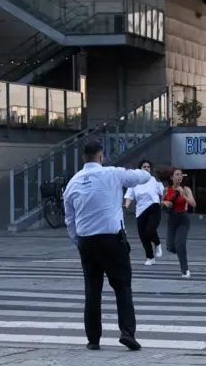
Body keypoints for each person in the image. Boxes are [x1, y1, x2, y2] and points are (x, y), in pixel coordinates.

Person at [64, 140, 151, 351]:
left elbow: (69, 219)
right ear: (101, 157)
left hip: (87, 242)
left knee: (92, 290)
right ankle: (127, 332)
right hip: (112, 240)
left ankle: (93, 339)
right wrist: (144, 172)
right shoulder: (113, 173)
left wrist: (79, 241)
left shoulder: (72, 183)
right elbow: (142, 177)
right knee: (122, 286)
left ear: (84, 158)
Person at [124, 160, 164, 266]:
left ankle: (157, 244)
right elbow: (129, 196)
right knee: (143, 236)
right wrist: (126, 205)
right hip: (140, 211)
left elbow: (163, 192)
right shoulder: (134, 182)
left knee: (150, 230)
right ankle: (150, 257)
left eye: (148, 167)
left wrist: (165, 200)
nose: (146, 168)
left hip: (153, 207)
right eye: (144, 167)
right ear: (140, 169)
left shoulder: (154, 180)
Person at [163, 168, 196, 278]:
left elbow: (193, 204)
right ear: (172, 177)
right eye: (177, 175)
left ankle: (185, 270)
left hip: (183, 218)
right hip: (171, 219)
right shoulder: (166, 190)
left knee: (180, 244)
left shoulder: (185, 189)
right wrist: (164, 202)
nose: (179, 177)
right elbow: (161, 202)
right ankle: (181, 253)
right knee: (170, 247)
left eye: (181, 175)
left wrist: (184, 196)